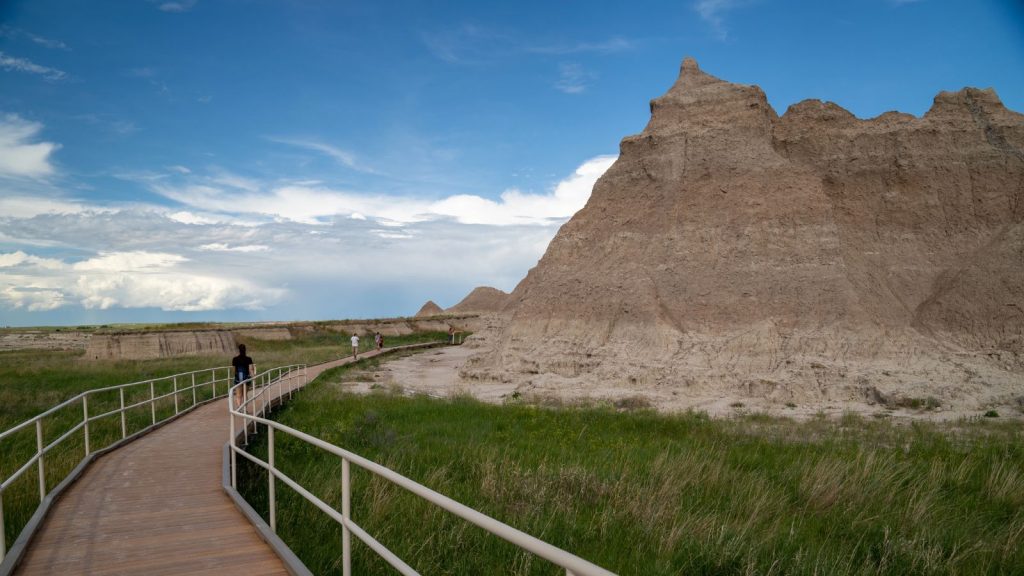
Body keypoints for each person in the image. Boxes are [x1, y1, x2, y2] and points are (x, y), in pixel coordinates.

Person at [231, 344, 255, 408]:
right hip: (246, 378)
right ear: (245, 350)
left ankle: (239, 408)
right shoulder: (249, 359)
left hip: (238, 379)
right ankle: (244, 409)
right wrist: (253, 377)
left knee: (238, 395)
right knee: (245, 395)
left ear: (239, 350)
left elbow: (233, 370)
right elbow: (251, 369)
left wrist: (236, 376)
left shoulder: (235, 359)